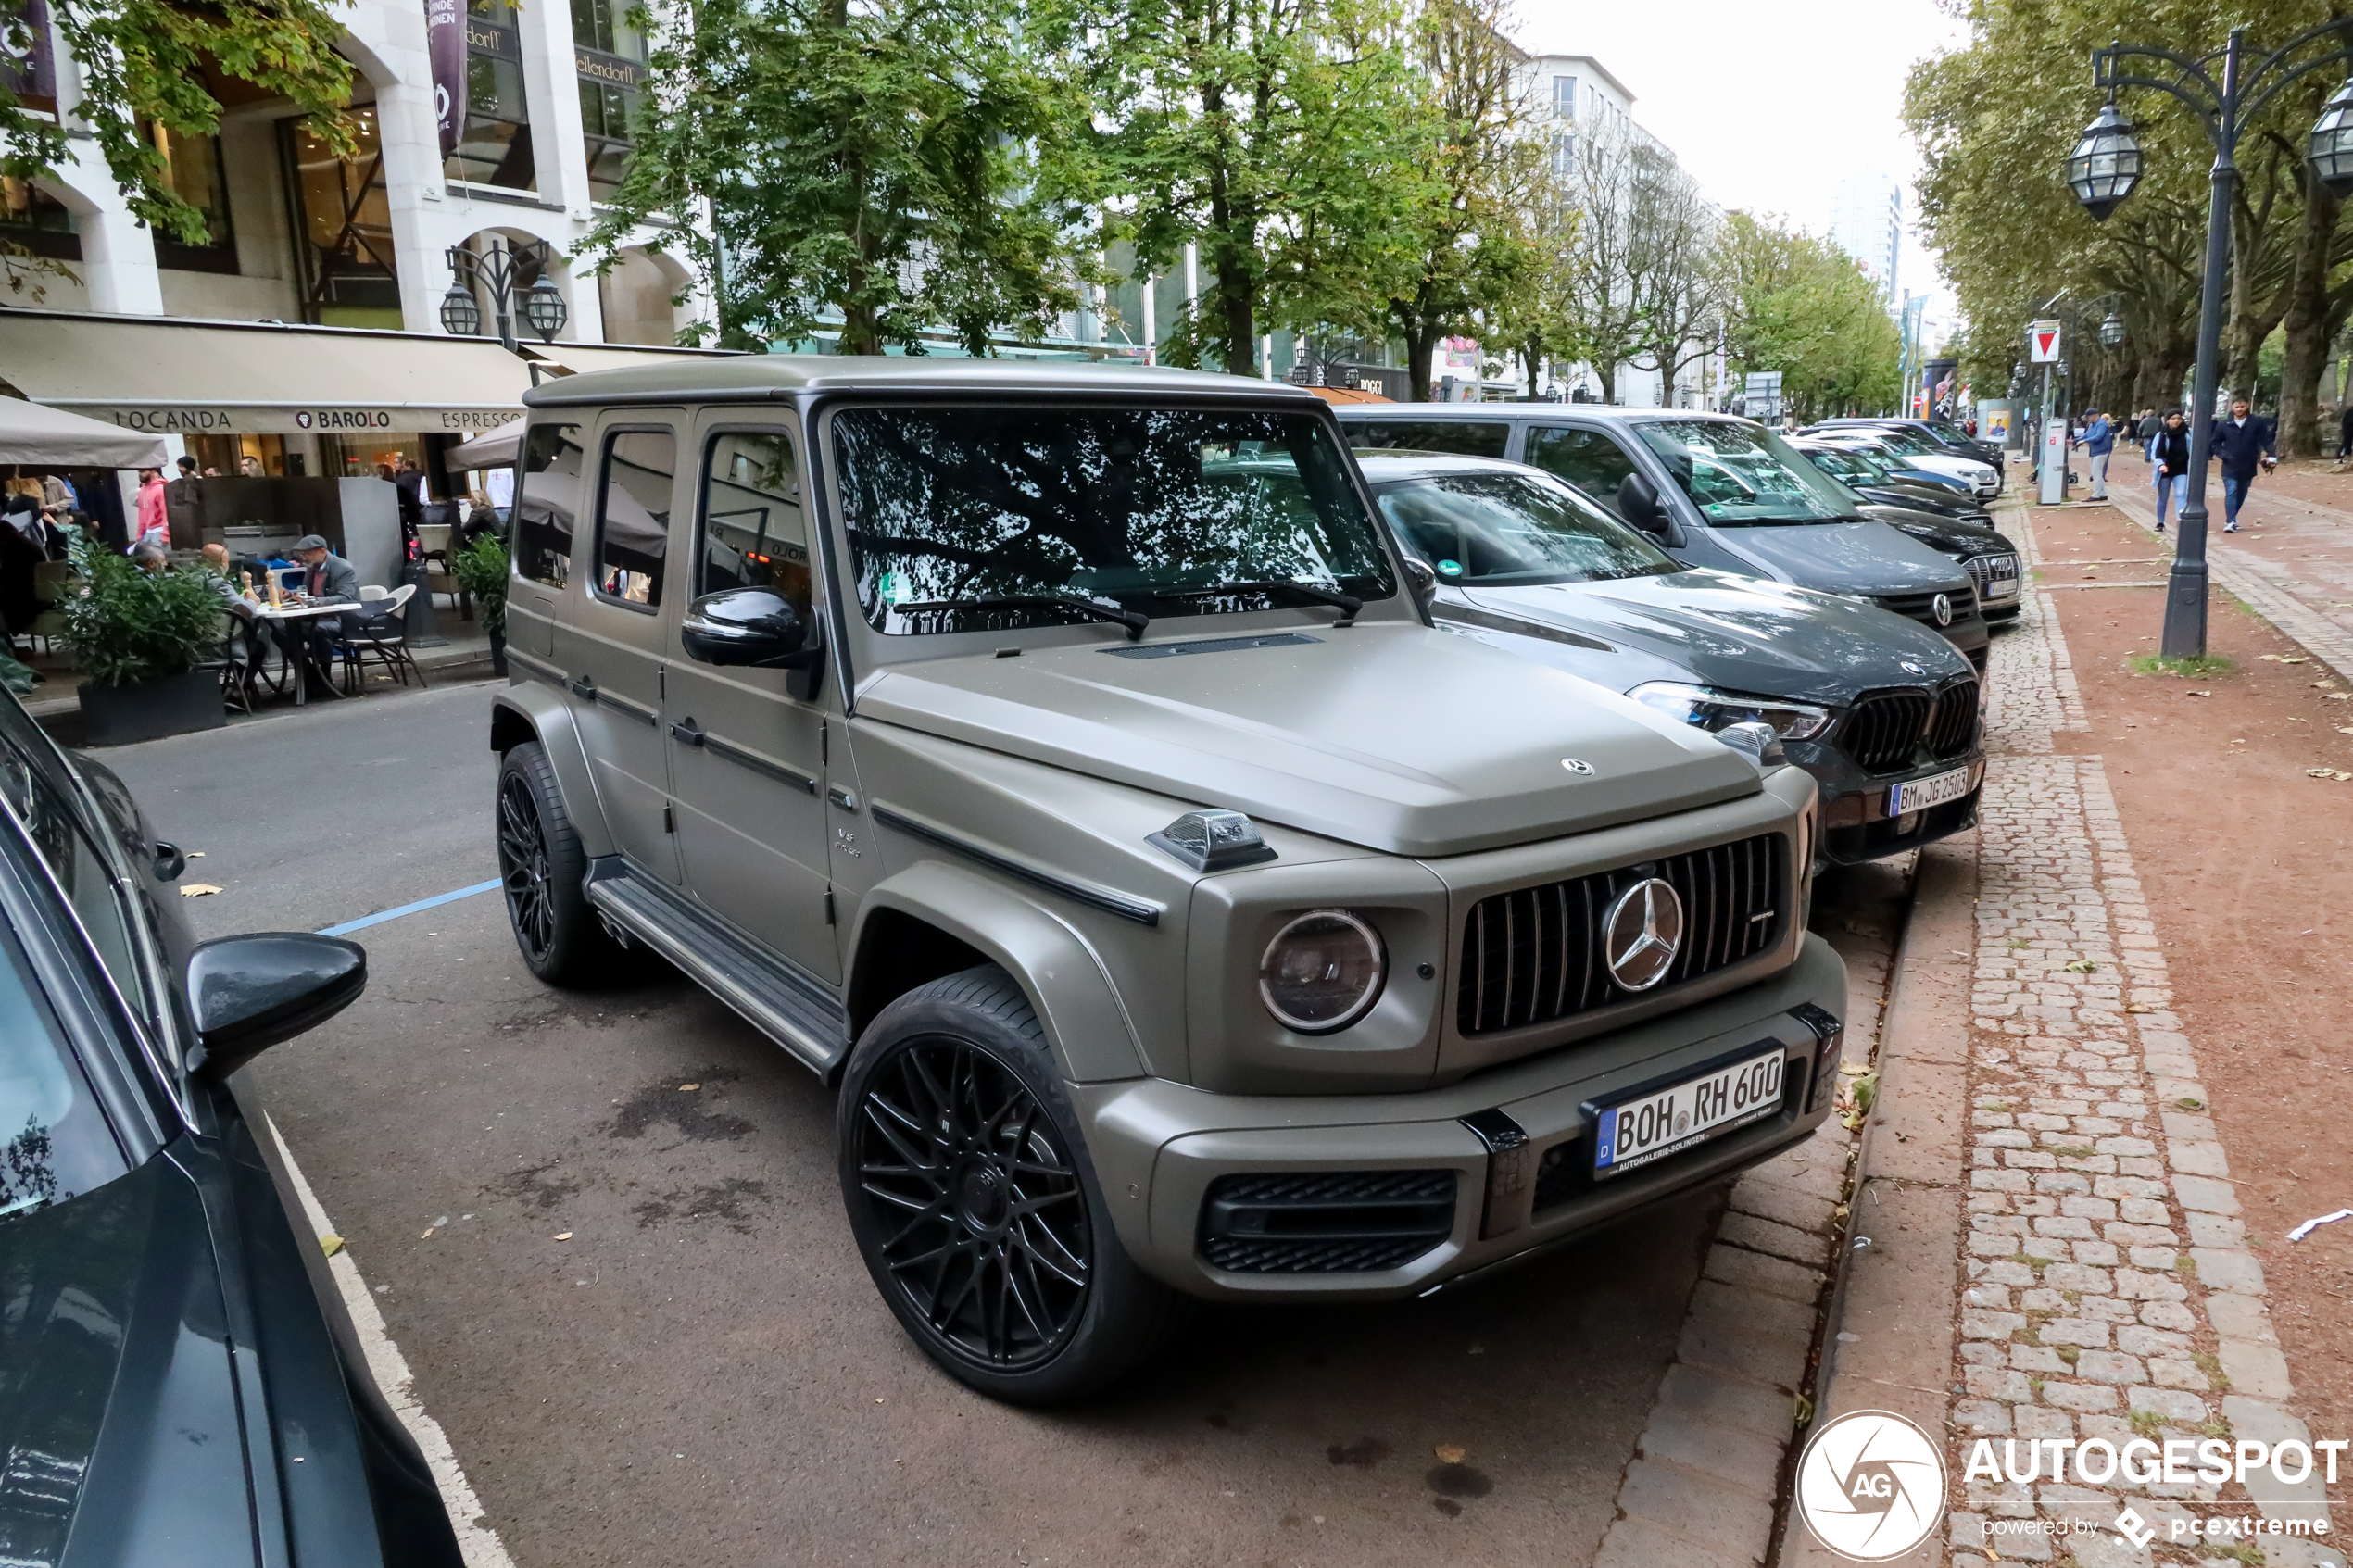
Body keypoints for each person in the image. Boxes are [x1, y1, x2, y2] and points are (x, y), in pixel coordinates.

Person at [2210, 396, 2277, 533]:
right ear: (2232, 407)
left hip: (2249, 463)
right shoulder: (2224, 424)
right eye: (2236, 407)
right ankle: (2230, 521)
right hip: (2230, 464)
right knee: (2232, 490)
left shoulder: (2257, 422)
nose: (2239, 409)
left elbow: (2266, 439)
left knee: (2242, 491)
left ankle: (2232, 516)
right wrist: (2223, 455)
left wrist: (2271, 454)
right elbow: (2215, 443)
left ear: (2247, 406)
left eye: (2242, 406)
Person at [2149, 410, 2190, 532]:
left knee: (2181, 494)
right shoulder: (2161, 434)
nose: (2176, 421)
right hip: (2165, 470)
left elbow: (2193, 449)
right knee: (2163, 497)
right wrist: (2160, 465)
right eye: (2173, 418)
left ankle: (2180, 521)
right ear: (2167, 420)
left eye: (2178, 418)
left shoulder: (2188, 433)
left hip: (2182, 468)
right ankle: (2160, 522)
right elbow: (2154, 453)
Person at [2074, 406, 2114, 501]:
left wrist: (2084, 441)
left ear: (2093, 416)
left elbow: (2098, 436)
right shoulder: (2092, 425)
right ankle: (2103, 493)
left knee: (2096, 473)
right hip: (2095, 451)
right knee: (2097, 473)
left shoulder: (2102, 424)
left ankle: (2096, 495)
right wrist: (2075, 441)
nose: (2087, 419)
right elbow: (2087, 435)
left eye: (2088, 417)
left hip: (2102, 450)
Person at [133, 468, 169, 548]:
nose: (140, 474)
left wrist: (166, 534)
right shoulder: (142, 491)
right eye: (139, 471)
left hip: (159, 530)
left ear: (153, 472)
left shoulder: (160, 489)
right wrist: (140, 533)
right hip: (148, 532)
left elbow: (166, 513)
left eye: (143, 471)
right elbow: (141, 514)